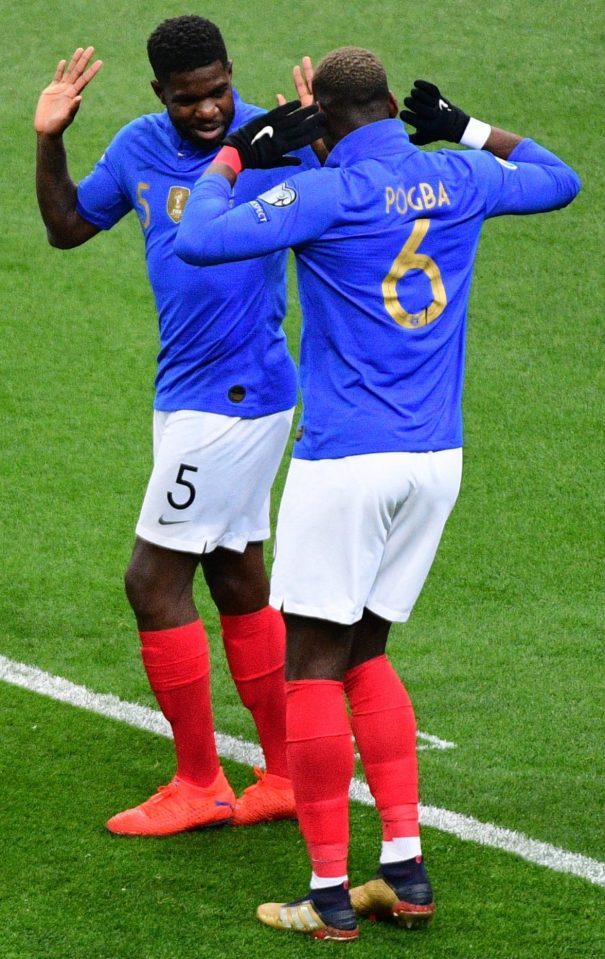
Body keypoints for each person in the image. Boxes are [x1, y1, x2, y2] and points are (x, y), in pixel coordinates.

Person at [175, 46, 580, 939]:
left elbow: (198, 234)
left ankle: (325, 897)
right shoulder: (458, 175)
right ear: (396, 105)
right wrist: (467, 126)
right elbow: (560, 177)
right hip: (434, 461)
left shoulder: (325, 195)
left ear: (324, 120)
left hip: (346, 462)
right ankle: (402, 870)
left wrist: (240, 151)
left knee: (311, 667)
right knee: (366, 653)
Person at [33, 15, 323, 835]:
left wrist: (322, 145)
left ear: (232, 75)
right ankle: (286, 773)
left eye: (218, 93)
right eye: (189, 99)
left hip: (233, 398)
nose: (208, 111)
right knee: (235, 578)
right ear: (160, 94)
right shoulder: (135, 147)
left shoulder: (271, 140)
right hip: (188, 394)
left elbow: (346, 214)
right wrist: (49, 140)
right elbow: (66, 228)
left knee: (152, 581)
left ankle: (199, 782)